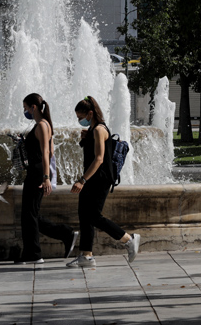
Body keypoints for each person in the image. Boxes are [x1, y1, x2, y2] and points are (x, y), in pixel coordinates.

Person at [67, 95, 140, 268]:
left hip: (100, 179)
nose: (79, 121)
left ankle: (128, 239)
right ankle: (86, 256)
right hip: (93, 177)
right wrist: (87, 138)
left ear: (90, 113)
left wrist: (82, 180)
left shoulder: (99, 129)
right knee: (84, 215)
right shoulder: (93, 130)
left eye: (81, 117)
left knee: (93, 216)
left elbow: (99, 159)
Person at [16, 93, 79, 264]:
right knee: (30, 214)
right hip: (36, 171)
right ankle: (64, 235)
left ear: (33, 107)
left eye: (25, 108)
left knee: (29, 214)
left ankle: (35, 254)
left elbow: (46, 152)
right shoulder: (42, 125)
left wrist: (46, 178)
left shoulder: (42, 125)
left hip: (37, 173)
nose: (25, 111)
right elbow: (49, 150)